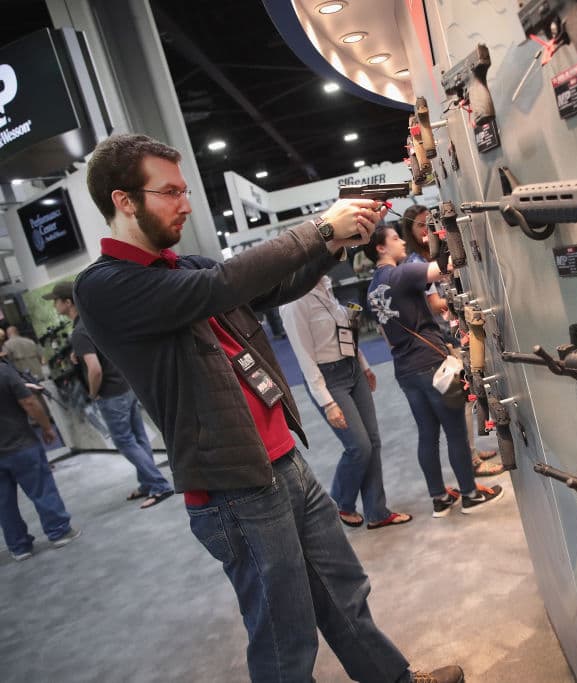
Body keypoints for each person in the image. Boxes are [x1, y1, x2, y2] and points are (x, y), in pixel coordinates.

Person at [73, 133, 461, 683]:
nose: (185, 203)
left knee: (343, 594)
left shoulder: (182, 269)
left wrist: (335, 244)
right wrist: (320, 227)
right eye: (169, 193)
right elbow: (224, 284)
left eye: (185, 190)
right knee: (285, 638)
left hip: (282, 460)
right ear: (123, 200)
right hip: (233, 486)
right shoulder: (105, 286)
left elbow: (270, 286)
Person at [365, 224, 505, 517]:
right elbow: (446, 267)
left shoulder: (372, 289)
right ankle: (469, 493)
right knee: (455, 431)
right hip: (430, 363)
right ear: (380, 248)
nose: (402, 241)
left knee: (427, 434)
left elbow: (386, 333)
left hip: (405, 368)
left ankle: (439, 498)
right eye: (395, 238)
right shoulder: (401, 274)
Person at [280, 275, 411, 529]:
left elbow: (344, 331)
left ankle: (377, 512)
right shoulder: (294, 301)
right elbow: (304, 357)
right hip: (328, 379)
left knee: (373, 441)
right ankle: (341, 501)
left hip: (353, 369)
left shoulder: (325, 283)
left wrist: (363, 365)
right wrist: (327, 402)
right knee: (359, 447)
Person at [43, 281, 175, 510]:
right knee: (138, 437)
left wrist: (94, 394)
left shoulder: (79, 332)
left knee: (124, 442)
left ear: (67, 302)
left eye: (56, 301)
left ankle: (159, 485)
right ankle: (147, 482)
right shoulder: (92, 323)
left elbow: (95, 369)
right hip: (125, 387)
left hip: (110, 394)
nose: (54, 305)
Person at [399, 205, 502, 478]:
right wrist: (466, 300)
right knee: (463, 400)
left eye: (427, 224)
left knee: (468, 399)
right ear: (409, 232)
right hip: (443, 339)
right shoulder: (415, 265)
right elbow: (434, 304)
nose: (426, 230)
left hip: (454, 332)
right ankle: (471, 462)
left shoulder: (429, 256)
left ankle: (471, 452)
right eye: (420, 225)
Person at [0, 360, 81, 561]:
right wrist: (46, 427)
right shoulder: (4, 371)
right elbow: (28, 402)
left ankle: (19, 547)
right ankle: (59, 532)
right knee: (42, 489)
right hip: (20, 444)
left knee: (3, 503)